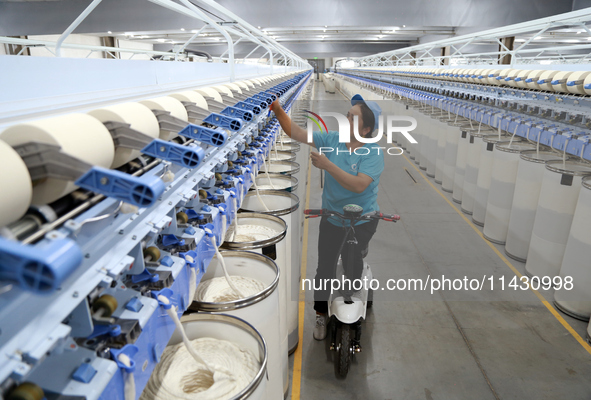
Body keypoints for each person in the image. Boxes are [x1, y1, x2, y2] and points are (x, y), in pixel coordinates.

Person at [270, 94, 385, 340]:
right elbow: (297, 133)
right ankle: (321, 313)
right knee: (325, 268)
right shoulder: (332, 139)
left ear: (365, 129)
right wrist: (277, 109)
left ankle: (351, 308)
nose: (346, 118)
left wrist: (327, 165)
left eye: (353, 117)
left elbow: (359, 186)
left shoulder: (373, 152)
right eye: (347, 113)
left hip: (362, 220)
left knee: (353, 268)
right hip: (333, 218)